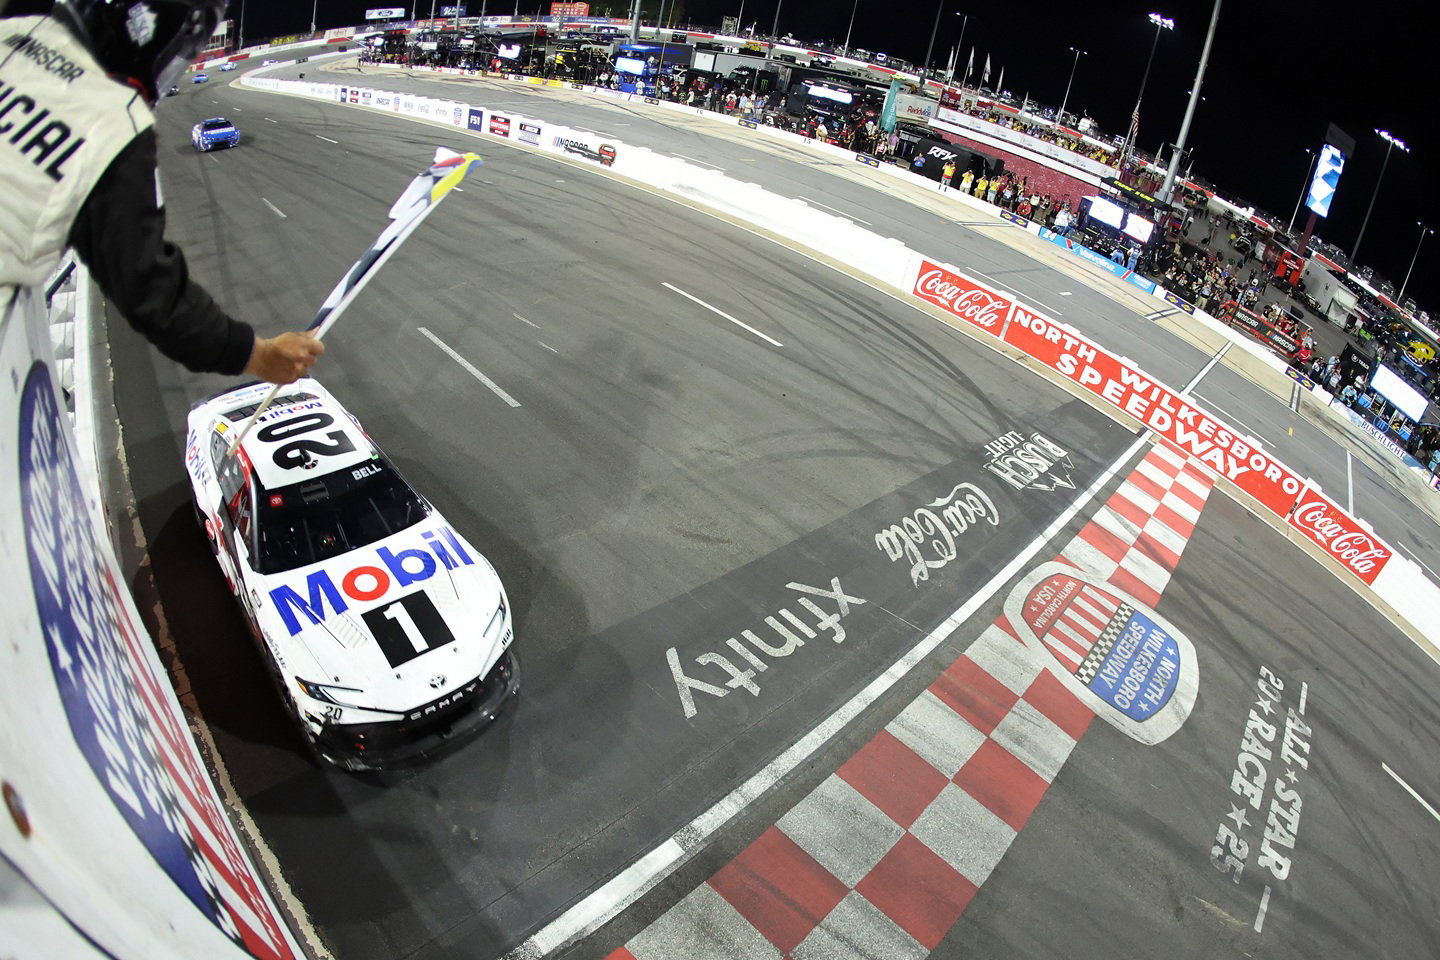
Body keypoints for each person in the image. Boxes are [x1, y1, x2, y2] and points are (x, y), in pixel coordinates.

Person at [0, 0, 321, 384]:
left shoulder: (12, 29)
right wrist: (260, 355)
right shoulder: (113, 121)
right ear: (148, 33)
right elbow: (153, 293)